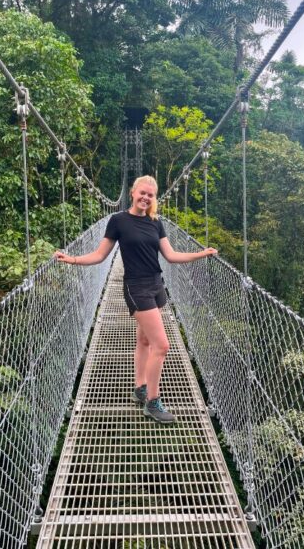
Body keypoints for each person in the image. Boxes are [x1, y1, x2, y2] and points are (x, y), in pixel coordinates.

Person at [54, 175, 217, 424]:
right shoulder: (118, 221)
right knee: (161, 345)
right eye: (142, 193)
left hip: (156, 284)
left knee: (143, 340)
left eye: (150, 195)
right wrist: (73, 259)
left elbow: (171, 256)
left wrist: (201, 254)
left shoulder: (156, 222)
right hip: (136, 287)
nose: (145, 198)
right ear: (132, 192)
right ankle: (152, 402)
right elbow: (100, 255)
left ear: (154, 198)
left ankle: (140, 387)